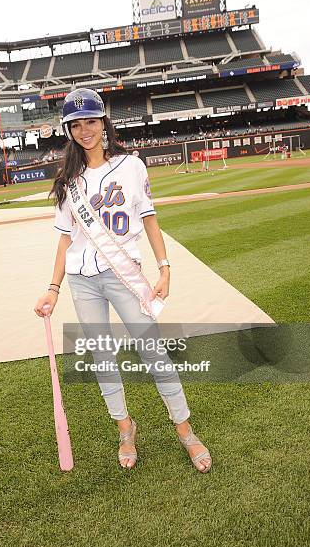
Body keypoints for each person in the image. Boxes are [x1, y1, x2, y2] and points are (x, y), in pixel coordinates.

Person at [34, 88, 212, 473]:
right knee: (102, 356)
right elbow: (65, 239)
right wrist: (53, 287)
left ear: (104, 123)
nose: (85, 131)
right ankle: (125, 429)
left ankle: (185, 430)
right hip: (83, 280)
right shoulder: (68, 180)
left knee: (153, 351)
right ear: (68, 130)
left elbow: (148, 217)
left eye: (92, 122)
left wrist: (164, 267)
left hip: (124, 275)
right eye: (76, 125)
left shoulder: (132, 166)